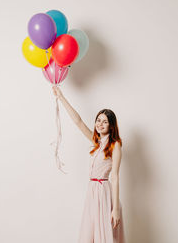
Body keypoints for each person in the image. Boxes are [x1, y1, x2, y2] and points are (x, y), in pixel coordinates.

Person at [52, 85, 126, 243]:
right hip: (92, 192)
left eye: (105, 122)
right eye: (98, 120)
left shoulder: (115, 145)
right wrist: (61, 97)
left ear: (111, 126)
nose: (100, 124)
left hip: (104, 193)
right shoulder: (97, 142)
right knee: (89, 233)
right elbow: (78, 122)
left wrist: (116, 210)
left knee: (105, 233)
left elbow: (115, 176)